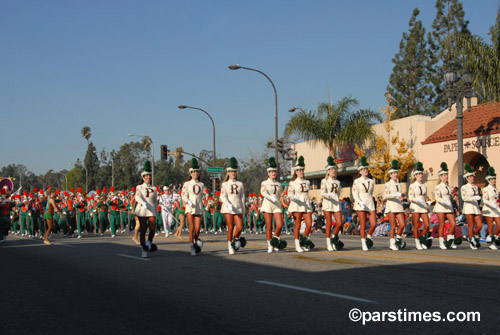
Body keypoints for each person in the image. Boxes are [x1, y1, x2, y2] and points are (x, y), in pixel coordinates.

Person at [288, 156, 314, 253]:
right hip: (297, 204)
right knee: (297, 225)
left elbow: (307, 193)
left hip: (306, 204)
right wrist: (295, 197)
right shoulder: (293, 183)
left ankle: (304, 241)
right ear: (296, 172)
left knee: (309, 224)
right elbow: (289, 194)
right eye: (299, 171)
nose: (301, 172)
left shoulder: (307, 182)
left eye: (302, 171)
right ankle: (297, 244)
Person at [221, 157, 247, 255]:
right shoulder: (225, 184)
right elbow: (222, 196)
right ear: (228, 172)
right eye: (231, 171)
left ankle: (235, 239)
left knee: (240, 227)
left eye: (234, 171)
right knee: (230, 227)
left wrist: (243, 210)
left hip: (238, 207)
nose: (233, 173)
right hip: (228, 208)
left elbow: (242, 198)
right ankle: (230, 246)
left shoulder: (240, 184)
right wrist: (228, 204)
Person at [260, 157, 286, 253]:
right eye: (271, 172)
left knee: (279, 225)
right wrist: (271, 197)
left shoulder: (279, 184)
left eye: (275, 171)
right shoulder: (265, 183)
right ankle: (269, 244)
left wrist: (283, 196)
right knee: (269, 226)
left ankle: (275, 240)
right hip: (268, 205)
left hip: (277, 206)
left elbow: (281, 193)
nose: (273, 173)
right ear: (268, 173)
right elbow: (263, 193)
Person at [352, 156, 377, 251]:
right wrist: (359, 202)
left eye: (366, 169)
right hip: (360, 203)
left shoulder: (371, 181)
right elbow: (355, 194)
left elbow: (371, 193)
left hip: (369, 203)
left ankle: (369, 236)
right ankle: (363, 242)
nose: (365, 170)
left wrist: (370, 202)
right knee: (362, 224)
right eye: (363, 169)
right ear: (360, 172)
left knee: (373, 223)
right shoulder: (357, 181)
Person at [134, 161, 158, 258]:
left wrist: (156, 210)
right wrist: (142, 202)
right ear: (143, 177)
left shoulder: (154, 188)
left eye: (149, 176)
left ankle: (149, 242)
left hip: (151, 209)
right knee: (143, 229)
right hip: (142, 209)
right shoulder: (139, 187)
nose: (148, 177)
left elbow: (155, 200)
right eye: (146, 176)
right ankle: (143, 248)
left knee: (152, 229)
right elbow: (137, 197)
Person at [182, 159, 205, 256]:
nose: (195, 173)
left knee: (197, 228)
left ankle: (196, 241)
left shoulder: (201, 184)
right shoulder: (187, 184)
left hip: (198, 207)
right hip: (190, 207)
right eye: (193, 172)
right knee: (191, 227)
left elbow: (202, 196)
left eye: (197, 172)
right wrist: (188, 201)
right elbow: (183, 195)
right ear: (191, 173)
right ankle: (192, 246)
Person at [321, 156, 344, 251]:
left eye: (335, 169)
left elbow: (338, 193)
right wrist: (330, 195)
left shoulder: (338, 182)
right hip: (327, 204)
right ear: (328, 171)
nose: (333, 171)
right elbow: (322, 193)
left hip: (336, 204)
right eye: (331, 169)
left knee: (339, 223)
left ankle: (334, 237)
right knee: (329, 223)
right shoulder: (324, 181)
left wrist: (336, 198)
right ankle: (328, 243)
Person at [434, 162, 459, 249]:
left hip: (448, 207)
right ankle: (441, 242)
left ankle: (450, 239)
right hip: (441, 206)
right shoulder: (438, 186)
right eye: (444, 175)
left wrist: (451, 197)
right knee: (442, 224)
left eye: (447, 175)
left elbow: (448, 195)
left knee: (453, 223)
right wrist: (444, 202)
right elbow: (437, 197)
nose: (446, 176)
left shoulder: (448, 187)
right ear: (441, 177)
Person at [408, 162, 432, 250]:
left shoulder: (424, 186)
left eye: (421, 174)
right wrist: (417, 200)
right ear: (416, 176)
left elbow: (425, 197)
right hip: (415, 206)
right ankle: (417, 241)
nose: (421, 175)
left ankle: (422, 238)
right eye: (419, 174)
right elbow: (410, 197)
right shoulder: (412, 185)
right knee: (417, 224)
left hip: (423, 206)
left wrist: (426, 204)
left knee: (427, 224)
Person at [384, 160, 406, 251]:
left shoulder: (399, 184)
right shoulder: (388, 184)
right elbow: (385, 196)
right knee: (393, 225)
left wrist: (400, 197)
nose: (395, 175)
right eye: (393, 173)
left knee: (402, 224)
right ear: (390, 175)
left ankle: (398, 238)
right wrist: (394, 195)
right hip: (391, 205)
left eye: (396, 173)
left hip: (398, 205)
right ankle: (392, 243)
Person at [461, 164, 483, 250]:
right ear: (467, 178)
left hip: (475, 207)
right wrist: (473, 198)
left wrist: (478, 199)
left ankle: (472, 236)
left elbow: (477, 196)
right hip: (469, 207)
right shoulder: (464, 187)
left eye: (472, 176)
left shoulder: (476, 187)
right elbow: (464, 198)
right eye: (470, 177)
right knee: (471, 225)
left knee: (480, 225)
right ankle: (472, 239)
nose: (472, 178)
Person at [482, 167, 500, 250]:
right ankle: (491, 242)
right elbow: (485, 200)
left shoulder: (495, 188)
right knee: (491, 225)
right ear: (489, 180)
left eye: (495, 179)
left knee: (499, 225)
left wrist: (496, 205)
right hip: (489, 209)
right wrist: (491, 204)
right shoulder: (486, 189)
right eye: (492, 179)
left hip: (496, 208)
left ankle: (495, 237)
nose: (494, 180)